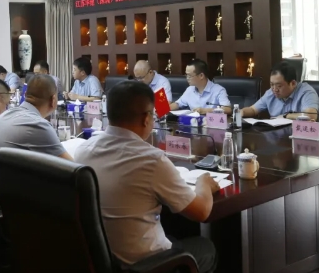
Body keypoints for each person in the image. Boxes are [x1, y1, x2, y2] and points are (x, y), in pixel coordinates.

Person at [74, 81, 218, 272]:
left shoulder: (83, 150)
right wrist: (204, 183)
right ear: (146, 118)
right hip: (145, 264)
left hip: (103, 259)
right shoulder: (152, 160)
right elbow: (201, 212)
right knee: (206, 248)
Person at [0, 74, 71, 196]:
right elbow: (73, 169)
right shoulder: (37, 124)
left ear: (25, 94)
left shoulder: (7, 114)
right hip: (5, 203)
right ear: (54, 99)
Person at [241, 61, 319, 122]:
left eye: (279, 86)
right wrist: (241, 112)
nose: (274, 89)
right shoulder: (270, 93)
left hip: (312, 137)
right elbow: (253, 109)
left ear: (293, 83)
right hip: (281, 136)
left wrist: (286, 116)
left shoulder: (306, 92)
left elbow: (310, 116)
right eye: (271, 84)